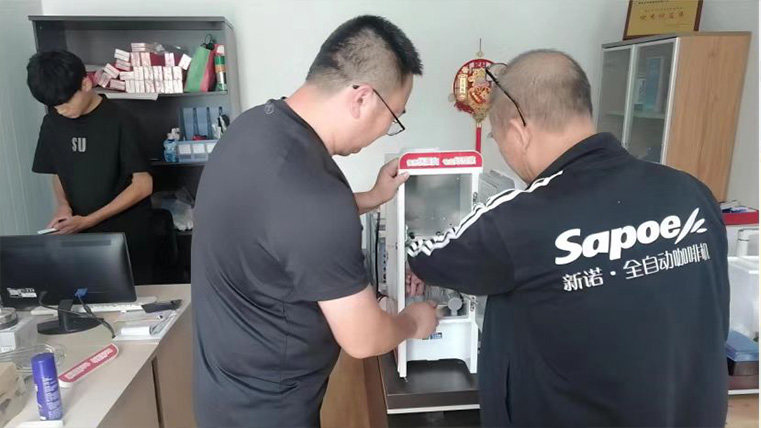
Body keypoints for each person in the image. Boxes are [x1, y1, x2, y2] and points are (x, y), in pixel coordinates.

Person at [406, 50, 729, 427]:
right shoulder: (691, 193)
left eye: (496, 137)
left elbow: (429, 255)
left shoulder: (522, 218)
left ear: (518, 130)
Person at [192, 15, 438, 427]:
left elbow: (276, 223)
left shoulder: (252, 126)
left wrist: (373, 197)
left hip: (221, 390)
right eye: (393, 118)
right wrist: (414, 321)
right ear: (362, 99)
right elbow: (363, 339)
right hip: (271, 410)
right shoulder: (315, 196)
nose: (385, 132)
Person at [27, 50, 154, 284]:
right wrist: (63, 206)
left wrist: (89, 220)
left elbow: (143, 185)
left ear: (86, 83)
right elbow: (58, 172)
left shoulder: (122, 120)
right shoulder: (52, 123)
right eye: (54, 106)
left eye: (66, 102)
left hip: (127, 238)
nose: (61, 110)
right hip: (78, 238)